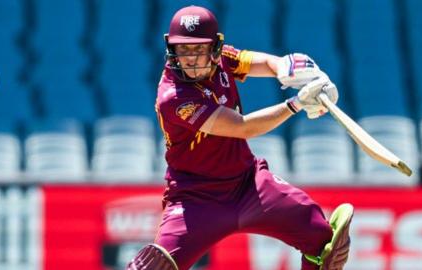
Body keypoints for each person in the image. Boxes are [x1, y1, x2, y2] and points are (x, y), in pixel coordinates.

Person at [128, 5, 353, 270]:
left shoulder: (223, 58)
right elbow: (242, 127)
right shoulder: (174, 97)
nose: (190, 59)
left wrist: (287, 68)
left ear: (214, 48)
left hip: (249, 184)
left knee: (322, 241)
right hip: (196, 198)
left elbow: (268, 63)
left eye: (198, 49)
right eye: (183, 49)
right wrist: (297, 103)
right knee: (157, 266)